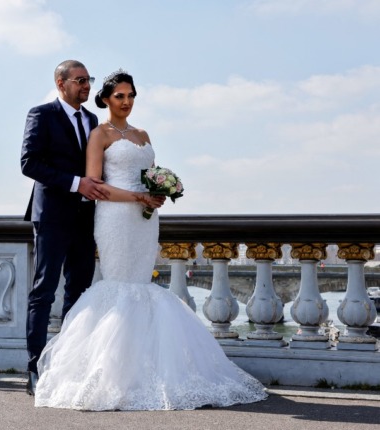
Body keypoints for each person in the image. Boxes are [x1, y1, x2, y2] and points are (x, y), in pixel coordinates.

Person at [34, 70, 268, 411]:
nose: (126, 102)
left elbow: (150, 173)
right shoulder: (99, 135)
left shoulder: (143, 134)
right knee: (120, 287)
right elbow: (95, 185)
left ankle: (147, 369)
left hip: (145, 221)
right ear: (105, 99)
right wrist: (137, 197)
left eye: (131, 96)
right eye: (119, 96)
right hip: (116, 218)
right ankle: (112, 374)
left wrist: (160, 191)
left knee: (142, 287)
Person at [20, 60, 110, 396]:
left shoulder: (91, 120)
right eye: (81, 80)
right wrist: (76, 184)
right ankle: (34, 368)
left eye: (89, 80)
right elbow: (29, 163)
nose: (87, 86)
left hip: (86, 218)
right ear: (61, 83)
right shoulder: (41, 114)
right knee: (44, 291)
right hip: (53, 216)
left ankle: (68, 363)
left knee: (79, 292)